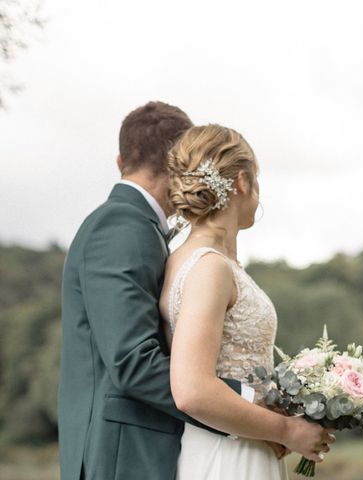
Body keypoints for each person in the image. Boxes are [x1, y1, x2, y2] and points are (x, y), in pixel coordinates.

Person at [58, 102, 332, 480]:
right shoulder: (122, 225)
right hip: (121, 454)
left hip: (181, 444)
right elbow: (133, 363)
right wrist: (263, 411)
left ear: (121, 159)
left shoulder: (166, 242)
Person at [160, 123, 331, 479]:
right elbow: (192, 390)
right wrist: (285, 430)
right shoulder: (209, 268)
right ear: (242, 182)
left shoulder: (191, 259)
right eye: (258, 180)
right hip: (229, 455)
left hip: (241, 444)